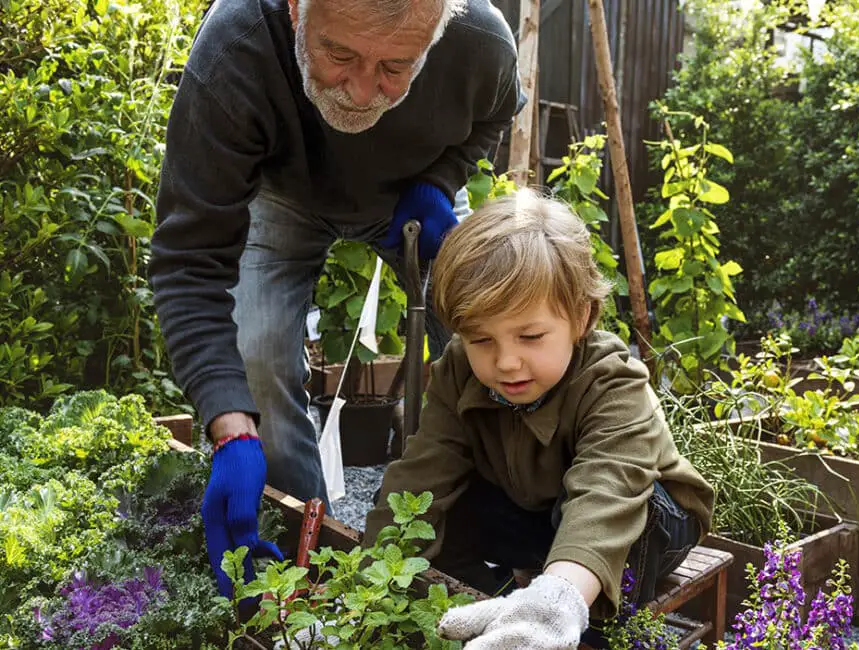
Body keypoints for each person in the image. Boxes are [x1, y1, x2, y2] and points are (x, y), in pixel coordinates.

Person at [148, 0, 523, 598]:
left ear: (437, 34)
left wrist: (440, 182)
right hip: (282, 196)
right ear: (297, 10)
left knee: (498, 320)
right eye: (339, 54)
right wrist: (229, 424)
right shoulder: (236, 47)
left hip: (409, 194)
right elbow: (191, 259)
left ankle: (503, 521)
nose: (360, 90)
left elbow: (493, 116)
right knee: (258, 357)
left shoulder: (480, 40)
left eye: (395, 67)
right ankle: (308, 558)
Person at [362, 189, 715, 649]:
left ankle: (572, 623)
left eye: (530, 336)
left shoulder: (614, 380)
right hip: (538, 512)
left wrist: (559, 600)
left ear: (581, 316)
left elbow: (607, 491)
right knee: (422, 508)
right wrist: (365, 592)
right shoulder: (458, 369)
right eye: (481, 340)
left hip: (639, 520)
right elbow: (424, 470)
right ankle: (490, 615)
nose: (506, 362)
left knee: (637, 517)